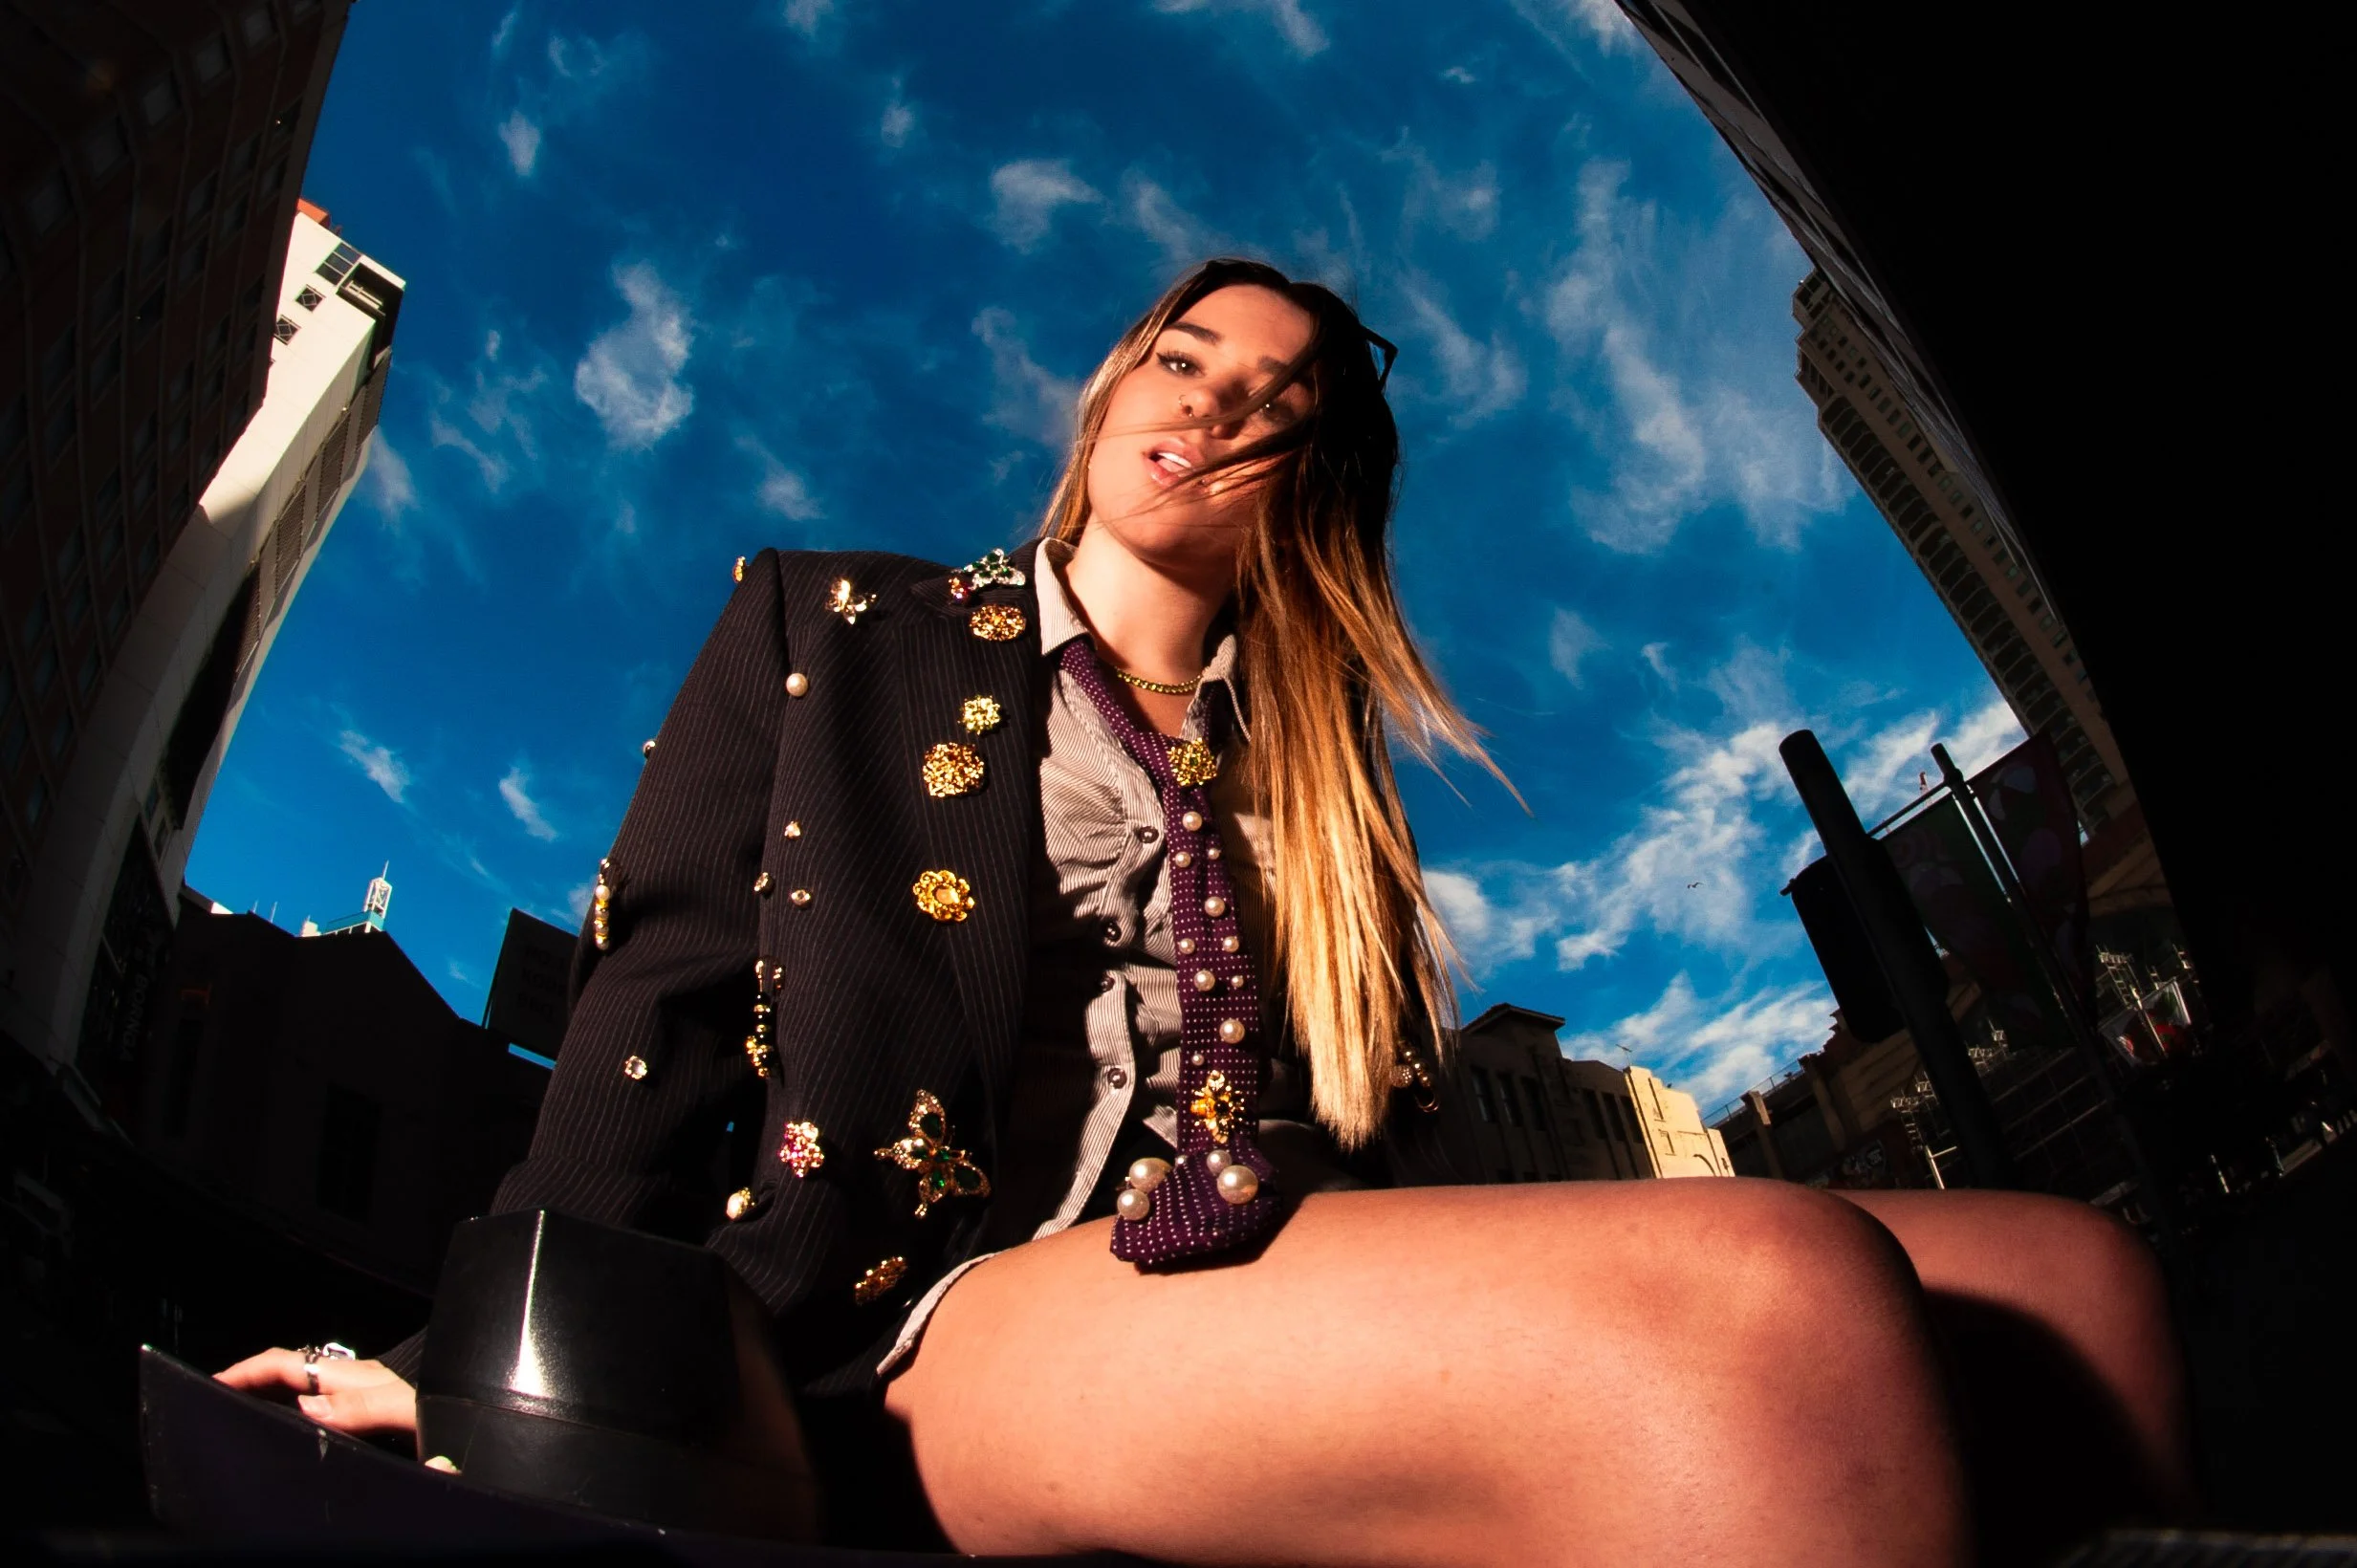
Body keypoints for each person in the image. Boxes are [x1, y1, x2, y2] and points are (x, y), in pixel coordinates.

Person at [221, 258, 2192, 1565]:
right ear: (1105, 392)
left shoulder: (1320, 783)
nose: (1217, 405)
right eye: (1183, 357)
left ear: (1309, 478)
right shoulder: (838, 629)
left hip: (1265, 1297)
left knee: (2067, 1282)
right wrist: (460, 1367)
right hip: (926, 1316)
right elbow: (643, 1018)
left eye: (1281, 400)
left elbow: (1377, 1143)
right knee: (1772, 1310)